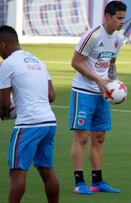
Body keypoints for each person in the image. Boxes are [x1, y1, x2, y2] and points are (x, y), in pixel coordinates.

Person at [69, 1, 127, 195]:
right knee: (82, 137)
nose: (122, 21)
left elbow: (111, 63)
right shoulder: (92, 35)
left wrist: (115, 85)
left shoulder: (118, 38)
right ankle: (79, 183)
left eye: (123, 18)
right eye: (118, 17)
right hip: (83, 91)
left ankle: (98, 181)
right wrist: (97, 80)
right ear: (107, 17)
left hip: (102, 93)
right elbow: (75, 63)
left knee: (100, 137)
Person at [0, 25, 59, 203]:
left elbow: (3, 103)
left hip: (28, 124)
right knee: (47, 171)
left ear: (2, 44)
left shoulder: (8, 64)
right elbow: (51, 95)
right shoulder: (38, 61)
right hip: (48, 122)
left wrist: (6, 112)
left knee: (17, 172)